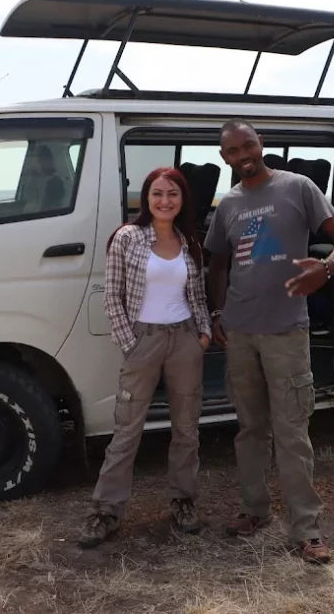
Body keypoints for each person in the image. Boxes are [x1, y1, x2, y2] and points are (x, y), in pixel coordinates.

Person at [204, 118, 334, 565]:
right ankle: (254, 510)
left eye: (248, 145)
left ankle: (306, 529)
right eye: (233, 151)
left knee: (292, 432)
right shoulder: (227, 205)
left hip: (287, 332)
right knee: (250, 430)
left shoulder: (299, 187)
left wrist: (326, 269)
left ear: (260, 143)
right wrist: (217, 313)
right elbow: (217, 266)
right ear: (224, 158)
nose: (243, 155)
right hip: (241, 333)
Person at [78, 167, 213, 548]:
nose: (164, 201)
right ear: (146, 197)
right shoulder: (128, 238)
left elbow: (198, 295)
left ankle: (184, 501)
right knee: (127, 430)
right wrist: (130, 343)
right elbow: (112, 296)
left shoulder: (190, 242)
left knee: (186, 428)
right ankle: (105, 511)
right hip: (143, 340)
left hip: (184, 340)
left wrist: (201, 335)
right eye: (157, 193)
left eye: (172, 194)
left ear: (183, 199)